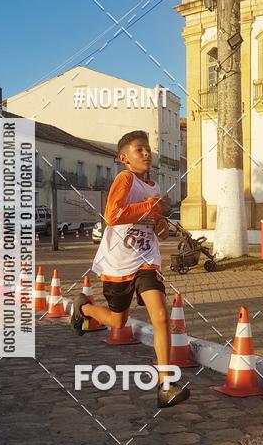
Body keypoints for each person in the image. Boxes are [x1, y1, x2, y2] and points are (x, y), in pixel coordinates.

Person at [70, 130, 189, 409]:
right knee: (117, 322)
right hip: (118, 263)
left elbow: (159, 229)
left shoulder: (155, 187)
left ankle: (166, 385)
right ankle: (84, 308)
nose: (146, 153)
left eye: (148, 149)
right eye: (139, 150)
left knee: (161, 315)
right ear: (124, 158)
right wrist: (151, 205)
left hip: (146, 260)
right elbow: (113, 215)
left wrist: (162, 225)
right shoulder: (125, 179)